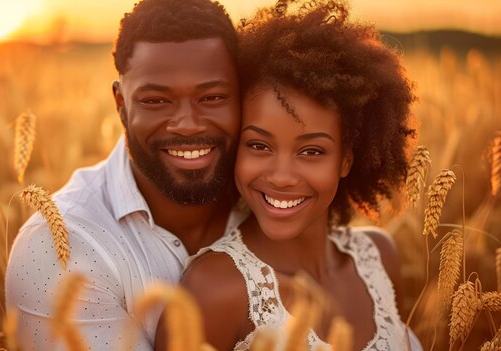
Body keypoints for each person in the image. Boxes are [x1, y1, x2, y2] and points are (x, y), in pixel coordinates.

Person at [156, 0, 423, 350]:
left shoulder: (379, 256)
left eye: (311, 151)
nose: (282, 176)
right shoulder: (214, 290)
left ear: (345, 160)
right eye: (259, 146)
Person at [5, 0, 249, 349]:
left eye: (212, 97)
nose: (186, 125)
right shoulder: (62, 246)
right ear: (121, 104)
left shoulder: (280, 202)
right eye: (156, 101)